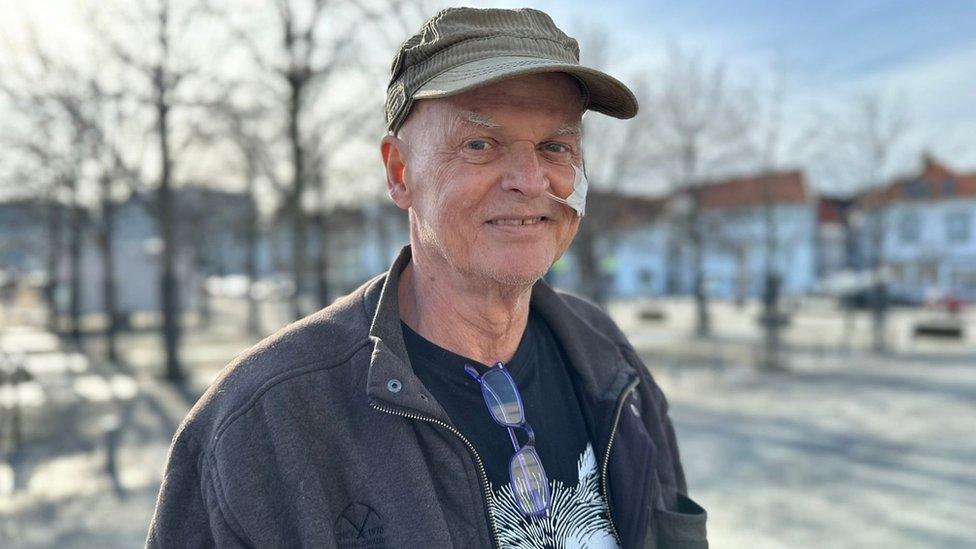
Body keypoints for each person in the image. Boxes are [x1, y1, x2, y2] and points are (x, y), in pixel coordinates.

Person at [146, 7, 707, 548]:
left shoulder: (608, 357)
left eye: (554, 146)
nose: (531, 180)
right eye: (480, 145)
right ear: (399, 173)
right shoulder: (263, 425)